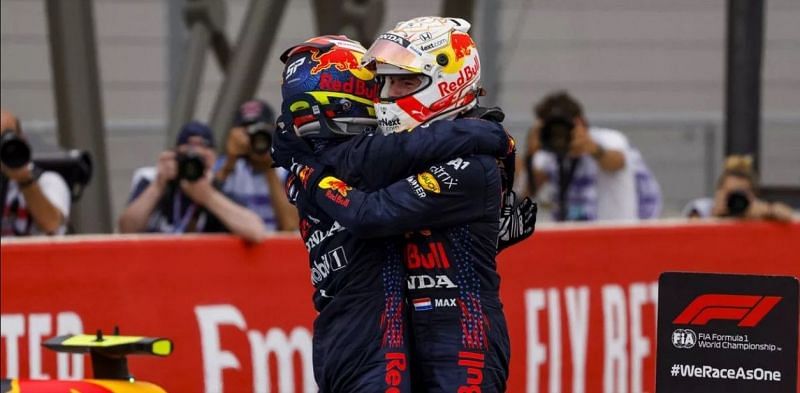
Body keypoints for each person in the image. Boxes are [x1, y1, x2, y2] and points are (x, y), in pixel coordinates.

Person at [275, 18, 530, 391]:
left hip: (463, 338)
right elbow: (367, 156)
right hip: (400, 335)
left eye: (404, 81)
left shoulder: (475, 164)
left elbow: (372, 213)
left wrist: (308, 174)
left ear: (449, 82)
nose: (387, 94)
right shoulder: (393, 154)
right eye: (385, 81)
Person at [117, 121, 265, 242]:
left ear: (213, 158)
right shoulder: (154, 181)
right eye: (189, 148)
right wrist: (158, 186)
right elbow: (126, 229)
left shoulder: (217, 188)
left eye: (203, 147)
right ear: (174, 154)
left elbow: (256, 231)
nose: (195, 154)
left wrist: (208, 197)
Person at [526, 91, 662, 221]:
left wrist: (593, 149)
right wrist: (530, 153)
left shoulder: (608, 140)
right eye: (552, 131)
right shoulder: (548, 154)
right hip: (574, 237)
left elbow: (617, 162)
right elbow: (527, 191)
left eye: (562, 130)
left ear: (579, 122)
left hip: (616, 234)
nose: (559, 138)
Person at [214, 99, 298, 231]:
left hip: (276, 248)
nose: (255, 138)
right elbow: (204, 210)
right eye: (248, 132)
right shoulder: (226, 167)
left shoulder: (289, 169)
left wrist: (269, 168)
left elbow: (291, 225)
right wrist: (230, 161)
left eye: (260, 131)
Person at [0, 108, 71, 236]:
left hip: (37, 255)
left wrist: (25, 180)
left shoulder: (48, 181)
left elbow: (51, 225)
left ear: (22, 140)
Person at [683, 155, 794, 221]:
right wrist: (715, 216)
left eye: (740, 194)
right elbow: (690, 229)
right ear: (718, 193)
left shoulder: (754, 209)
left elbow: (787, 215)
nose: (735, 199)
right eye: (729, 193)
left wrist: (769, 211)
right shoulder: (703, 208)